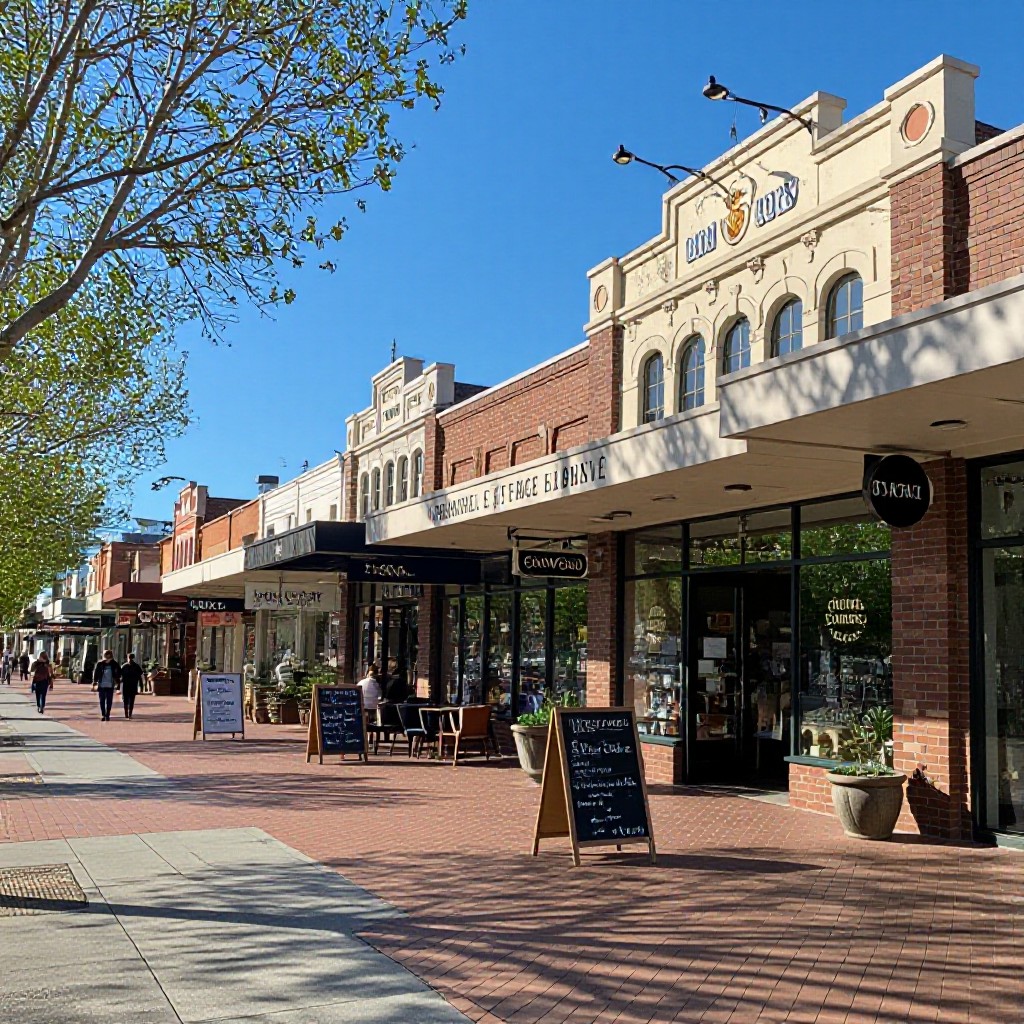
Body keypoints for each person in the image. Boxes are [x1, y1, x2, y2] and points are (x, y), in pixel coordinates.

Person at [91, 649, 122, 721]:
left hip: (110, 685)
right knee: (102, 701)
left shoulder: (114, 664)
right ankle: (103, 715)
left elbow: (119, 672)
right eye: (106, 656)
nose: (107, 658)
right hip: (101, 685)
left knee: (109, 701)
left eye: (108, 656)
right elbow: (96, 673)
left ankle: (107, 714)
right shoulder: (100, 664)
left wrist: (117, 680)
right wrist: (94, 682)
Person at [120, 652, 144, 720]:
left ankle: (129, 714)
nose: (130, 659)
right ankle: (127, 714)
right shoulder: (125, 666)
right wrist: (118, 687)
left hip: (131, 685)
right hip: (127, 685)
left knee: (130, 700)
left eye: (131, 658)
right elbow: (120, 677)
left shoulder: (135, 666)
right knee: (127, 700)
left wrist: (141, 687)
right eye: (129, 658)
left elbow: (140, 677)